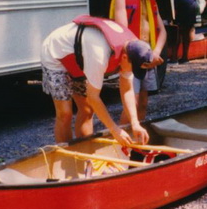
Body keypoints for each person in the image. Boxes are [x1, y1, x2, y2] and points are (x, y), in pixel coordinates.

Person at [40, 15, 154, 147]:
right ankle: (68, 157)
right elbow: (94, 97)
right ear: (124, 57)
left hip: (79, 57)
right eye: (132, 68)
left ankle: (85, 153)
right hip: (56, 55)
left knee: (87, 110)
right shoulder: (100, 55)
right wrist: (115, 130)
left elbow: (127, 89)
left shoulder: (133, 48)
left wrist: (135, 123)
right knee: (65, 113)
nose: (131, 71)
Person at [110, 0, 168, 122]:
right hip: (132, 54)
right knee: (132, 104)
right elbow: (123, 32)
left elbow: (162, 31)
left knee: (143, 103)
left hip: (149, 55)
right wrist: (145, 54)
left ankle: (137, 141)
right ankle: (123, 144)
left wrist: (155, 53)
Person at [172, 0, 200, 64]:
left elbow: (172, 13)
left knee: (176, 32)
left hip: (187, 7)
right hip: (195, 6)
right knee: (186, 32)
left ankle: (174, 58)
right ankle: (185, 58)